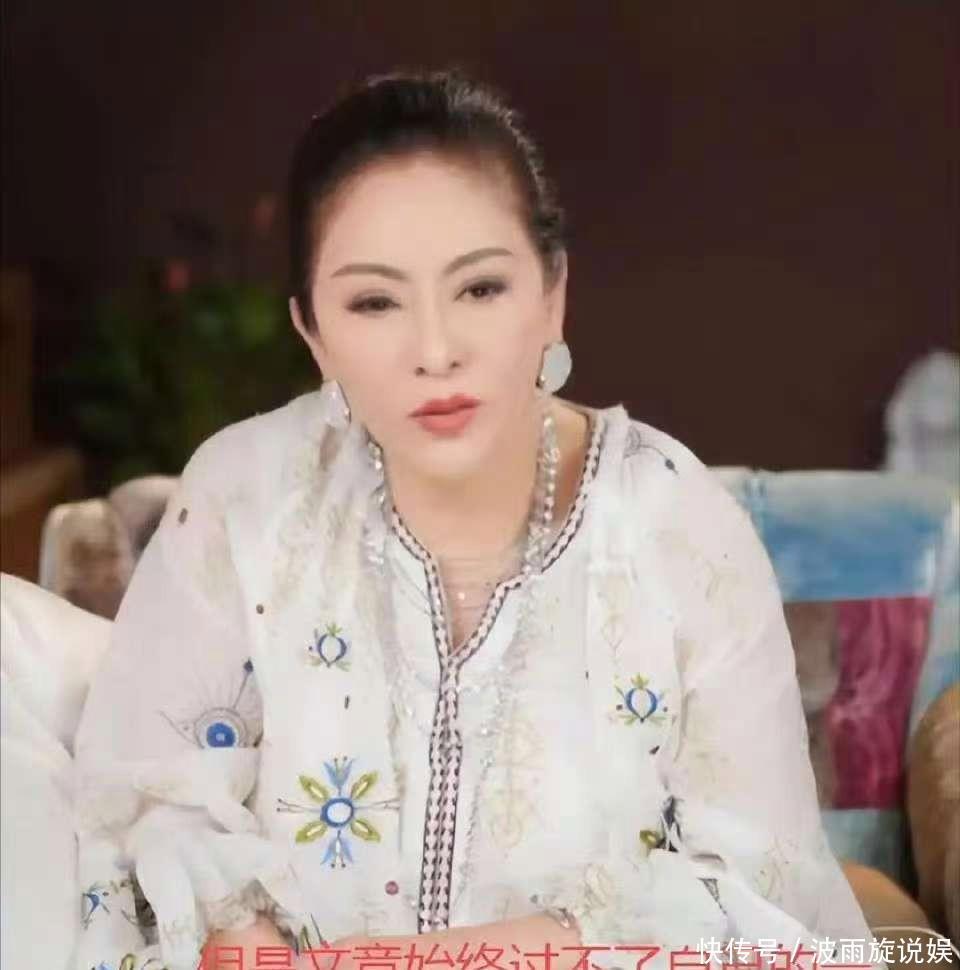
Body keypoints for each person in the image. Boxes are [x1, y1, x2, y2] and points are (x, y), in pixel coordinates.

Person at [71, 70, 880, 970]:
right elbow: (143, 800)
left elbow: (756, 892)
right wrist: (240, 933)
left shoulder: (682, 531)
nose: (436, 350)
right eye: (375, 302)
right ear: (313, 334)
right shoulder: (245, 497)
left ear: (553, 295)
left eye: (481, 289)